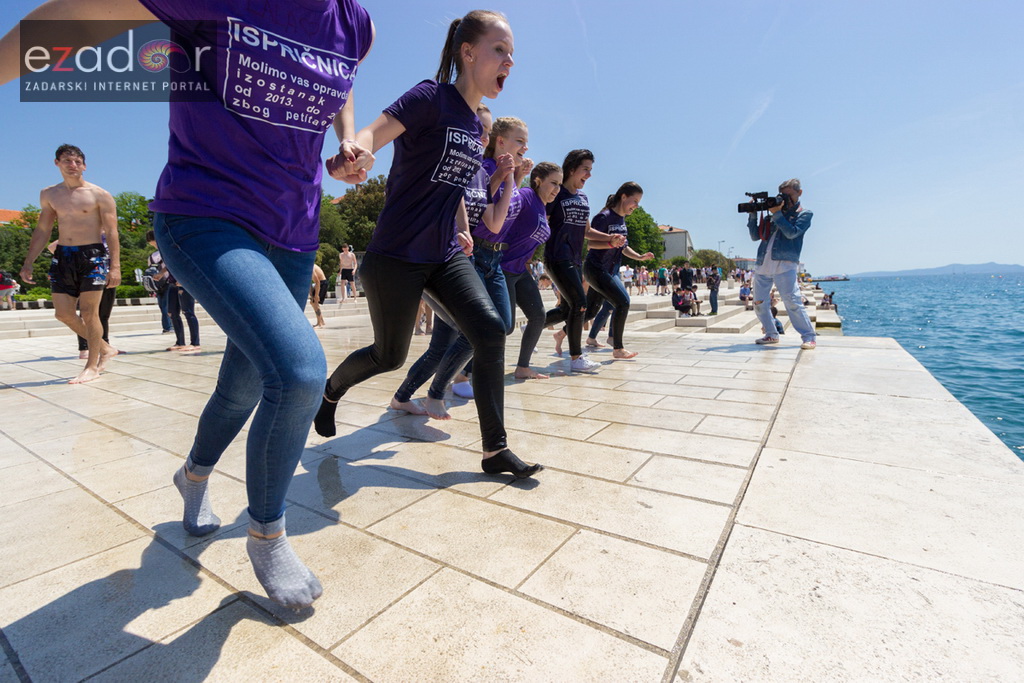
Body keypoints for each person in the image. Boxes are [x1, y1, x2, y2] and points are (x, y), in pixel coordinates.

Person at [2, 0, 376, 609]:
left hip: (294, 229)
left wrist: (348, 139)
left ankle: (194, 475)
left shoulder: (355, 22)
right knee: (300, 371)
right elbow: (84, 15)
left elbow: (343, 82)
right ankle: (268, 534)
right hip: (205, 214)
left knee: (244, 385)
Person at [317, 10, 543, 481]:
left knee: (489, 329)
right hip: (395, 255)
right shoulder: (429, 97)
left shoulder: (473, 123)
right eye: (500, 50)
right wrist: (354, 150)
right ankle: (330, 391)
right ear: (468, 52)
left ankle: (494, 449)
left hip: (442, 254)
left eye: (511, 53)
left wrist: (464, 220)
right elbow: (372, 133)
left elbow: (454, 186)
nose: (509, 61)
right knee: (389, 355)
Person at [18, 144, 119, 383]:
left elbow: (113, 232)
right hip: (63, 255)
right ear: (57, 163)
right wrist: (28, 262)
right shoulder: (49, 194)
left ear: (84, 165)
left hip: (93, 255)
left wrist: (115, 266)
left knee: (89, 312)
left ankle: (92, 366)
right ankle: (105, 348)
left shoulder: (99, 194)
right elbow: (43, 229)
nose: (72, 165)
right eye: (67, 161)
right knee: (63, 314)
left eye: (77, 162)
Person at [544, 149, 625, 370]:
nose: (589, 175)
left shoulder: (582, 197)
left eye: (590, 170)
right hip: (556, 257)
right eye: (585, 169)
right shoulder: (556, 194)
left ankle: (533, 326)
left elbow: (587, 231)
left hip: (574, 259)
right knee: (580, 304)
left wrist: (610, 238)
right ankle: (576, 358)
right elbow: (542, 223)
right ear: (571, 169)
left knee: (569, 308)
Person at [502, 161, 562, 379]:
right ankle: (465, 369)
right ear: (538, 181)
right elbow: (506, 203)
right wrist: (517, 173)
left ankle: (523, 367)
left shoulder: (542, 206)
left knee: (538, 316)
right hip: (502, 267)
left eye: (560, 185)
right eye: (553, 183)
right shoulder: (526, 195)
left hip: (519, 271)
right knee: (505, 326)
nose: (557, 189)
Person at [582, 182, 653, 359]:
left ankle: (561, 334)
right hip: (597, 268)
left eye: (638, 203)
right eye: (634, 201)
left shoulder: (622, 221)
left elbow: (623, 247)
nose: (636, 206)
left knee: (590, 311)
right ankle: (618, 348)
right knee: (623, 302)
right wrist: (609, 242)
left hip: (610, 270)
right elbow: (590, 244)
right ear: (623, 196)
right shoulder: (604, 217)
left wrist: (639, 257)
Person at [746, 178, 817, 349]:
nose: (785, 199)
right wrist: (753, 213)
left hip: (785, 264)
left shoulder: (804, 214)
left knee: (792, 301)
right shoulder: (773, 215)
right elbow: (756, 236)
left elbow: (792, 233)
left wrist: (777, 214)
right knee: (759, 302)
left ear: (799, 193)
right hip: (763, 262)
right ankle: (771, 334)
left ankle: (809, 336)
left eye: (788, 195)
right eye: (782, 195)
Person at [165, 271, 200, 352]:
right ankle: (180, 342)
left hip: (184, 284)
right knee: (172, 313)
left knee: (188, 312)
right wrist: (161, 274)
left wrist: (185, 279)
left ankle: (195, 343)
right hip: (172, 284)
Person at [146, 230, 172, 334]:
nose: (155, 246)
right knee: (164, 306)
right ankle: (168, 327)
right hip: (163, 283)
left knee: (164, 306)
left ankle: (168, 327)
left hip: (163, 283)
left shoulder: (155, 256)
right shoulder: (163, 253)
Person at [310, 263, 327, 329]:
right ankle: (322, 321)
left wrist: (316, 295)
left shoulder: (311, 267)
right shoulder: (308, 267)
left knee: (315, 303)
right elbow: (309, 282)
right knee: (312, 302)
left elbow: (317, 281)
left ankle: (319, 323)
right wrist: (311, 294)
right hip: (319, 284)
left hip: (322, 283)